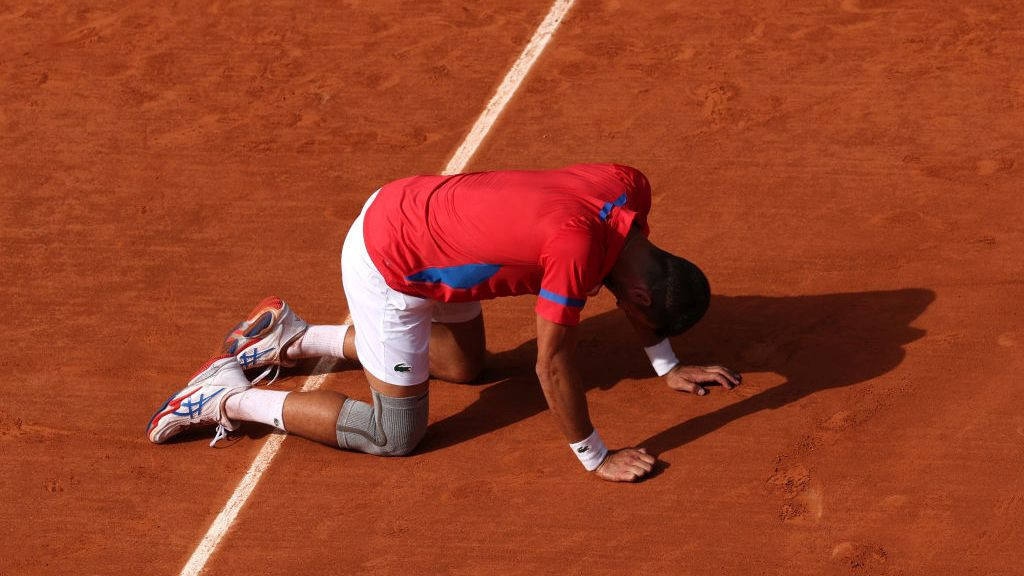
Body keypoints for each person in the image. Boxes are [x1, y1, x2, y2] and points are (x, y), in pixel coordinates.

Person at [146, 164, 741, 482]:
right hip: (393, 265)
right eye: (634, 312)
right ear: (639, 290)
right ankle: (227, 398)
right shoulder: (576, 253)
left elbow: (639, 286)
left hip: (423, 209)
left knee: (464, 367)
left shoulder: (627, 187)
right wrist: (595, 454)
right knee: (394, 434)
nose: (627, 315)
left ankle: (293, 339)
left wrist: (666, 363)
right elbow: (551, 363)